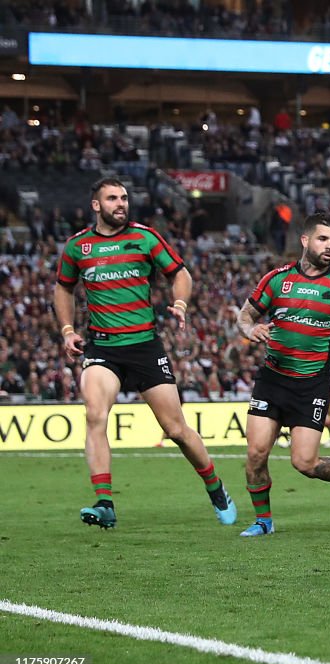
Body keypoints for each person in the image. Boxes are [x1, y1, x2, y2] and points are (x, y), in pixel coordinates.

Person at [55, 177, 236, 529]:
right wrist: (66, 329)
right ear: (96, 205)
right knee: (95, 414)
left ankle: (215, 487)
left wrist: (180, 302)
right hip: (102, 346)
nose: (121, 204)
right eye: (112, 199)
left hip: (143, 345)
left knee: (176, 429)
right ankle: (105, 502)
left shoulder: (144, 237)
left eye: (124, 198)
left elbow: (180, 274)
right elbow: (63, 289)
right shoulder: (78, 246)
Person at [235, 212, 330, 537]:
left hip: (311, 382)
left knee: (305, 463)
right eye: (323, 239)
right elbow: (245, 315)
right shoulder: (276, 280)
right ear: (305, 240)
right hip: (271, 378)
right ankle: (263, 521)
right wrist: (250, 328)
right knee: (255, 455)